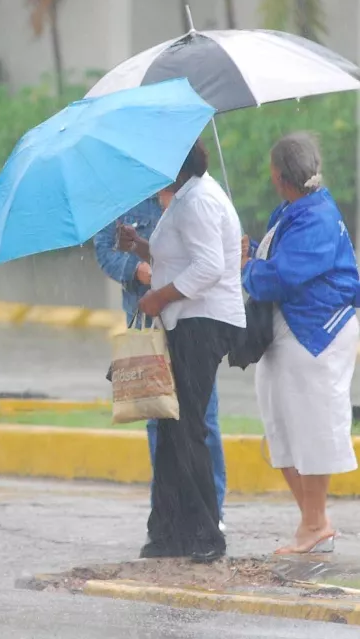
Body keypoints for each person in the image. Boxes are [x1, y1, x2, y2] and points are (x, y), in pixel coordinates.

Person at [117, 139, 244, 562]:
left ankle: (206, 533)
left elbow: (210, 267)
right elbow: (178, 257)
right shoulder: (184, 199)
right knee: (171, 427)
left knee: (187, 427)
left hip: (201, 323)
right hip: (185, 322)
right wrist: (138, 245)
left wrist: (160, 297)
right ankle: (168, 531)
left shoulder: (199, 202)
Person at [242, 132, 359, 555]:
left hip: (316, 332)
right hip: (290, 333)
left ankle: (313, 524)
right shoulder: (295, 210)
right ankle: (316, 522)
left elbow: (281, 276)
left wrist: (248, 268)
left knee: (309, 429)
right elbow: (278, 262)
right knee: (281, 426)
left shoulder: (315, 217)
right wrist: (252, 253)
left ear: (278, 175)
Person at [95, 196, 227, 530]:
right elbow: (104, 251)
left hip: (193, 319)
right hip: (148, 324)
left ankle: (212, 513)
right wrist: (137, 269)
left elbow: (209, 258)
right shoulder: (120, 196)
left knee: (203, 417)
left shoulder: (196, 196)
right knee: (157, 417)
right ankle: (169, 511)